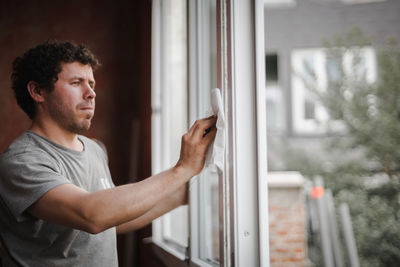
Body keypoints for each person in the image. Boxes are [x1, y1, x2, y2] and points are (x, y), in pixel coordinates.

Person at [0, 40, 217, 267]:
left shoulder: (94, 149)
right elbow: (92, 215)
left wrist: (186, 194)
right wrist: (181, 169)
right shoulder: (20, 162)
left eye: (91, 84)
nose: (91, 93)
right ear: (38, 91)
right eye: (76, 82)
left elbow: (112, 220)